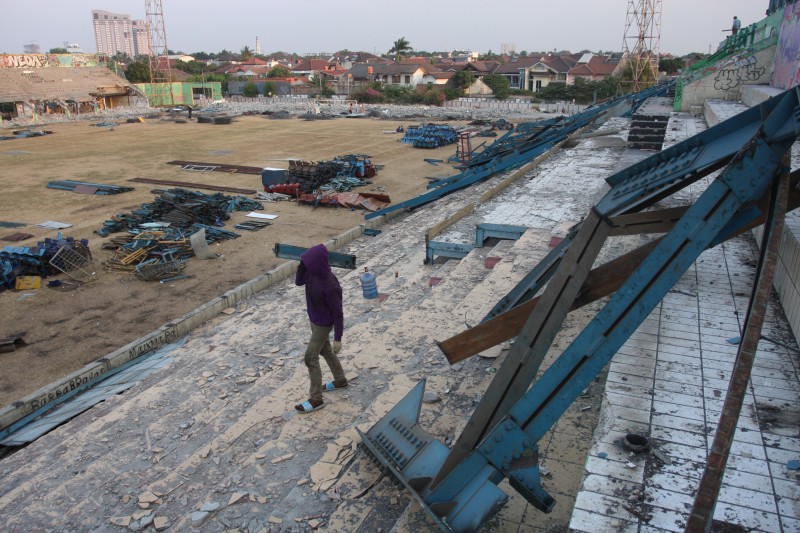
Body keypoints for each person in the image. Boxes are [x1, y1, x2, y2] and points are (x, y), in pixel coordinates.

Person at [294, 244, 348, 413]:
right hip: (313, 318)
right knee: (325, 351)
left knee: (310, 357)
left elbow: (338, 313)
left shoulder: (331, 285)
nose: (307, 264)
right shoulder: (311, 273)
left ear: (317, 263)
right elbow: (298, 282)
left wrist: (338, 337)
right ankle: (340, 380)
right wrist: (302, 264)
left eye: (309, 262)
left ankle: (316, 398)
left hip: (323, 324)